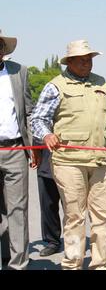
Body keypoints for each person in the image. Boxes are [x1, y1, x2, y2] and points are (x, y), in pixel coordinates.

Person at [31, 40, 106, 270]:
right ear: (69, 62)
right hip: (68, 161)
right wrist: (46, 135)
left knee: (102, 216)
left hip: (100, 159)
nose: (87, 63)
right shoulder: (56, 86)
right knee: (75, 216)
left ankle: (100, 264)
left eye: (90, 58)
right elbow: (38, 119)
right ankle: (72, 263)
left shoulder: (102, 82)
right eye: (82, 59)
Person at [0, 29, 40, 270]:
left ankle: (18, 264)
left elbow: (29, 110)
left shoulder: (19, 72)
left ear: (3, 49)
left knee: (17, 209)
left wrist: (33, 146)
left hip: (16, 148)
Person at [37, 149, 62, 257]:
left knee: (73, 207)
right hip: (46, 157)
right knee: (48, 204)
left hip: (71, 158)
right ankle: (52, 241)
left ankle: (76, 240)